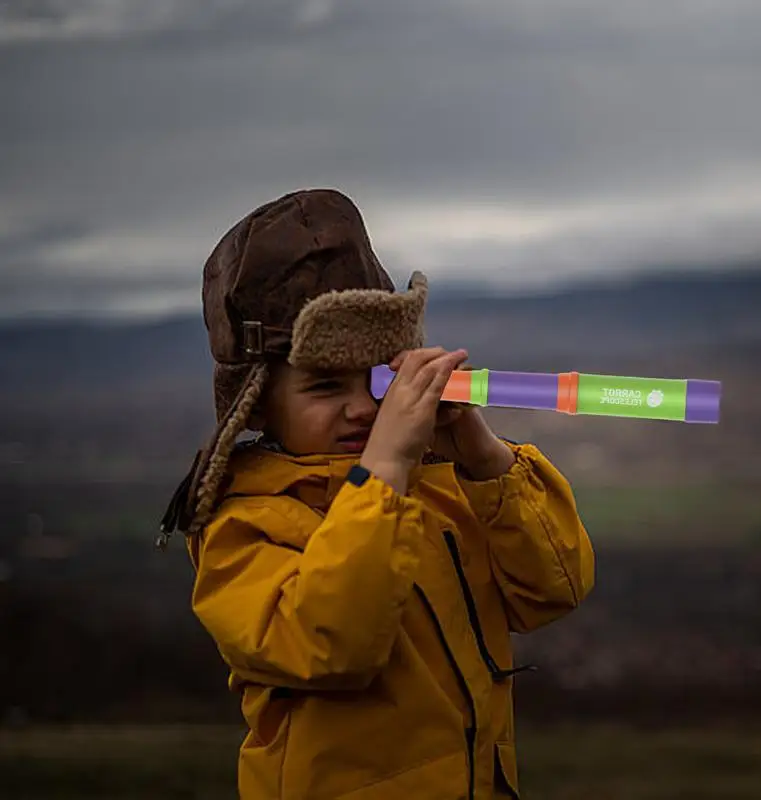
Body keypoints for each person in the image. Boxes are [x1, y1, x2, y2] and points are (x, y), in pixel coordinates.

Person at [158, 188, 595, 799]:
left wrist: (482, 455)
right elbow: (331, 645)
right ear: (255, 403)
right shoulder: (243, 526)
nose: (363, 407)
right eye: (326, 385)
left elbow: (553, 590)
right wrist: (386, 468)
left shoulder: (435, 484)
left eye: (380, 378)